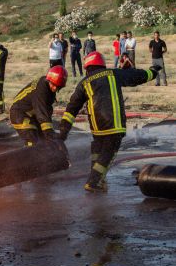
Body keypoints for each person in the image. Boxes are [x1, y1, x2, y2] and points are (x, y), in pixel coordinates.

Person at [59, 52, 161, 192]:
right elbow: (136, 76)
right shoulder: (112, 73)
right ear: (102, 63)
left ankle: (98, 179)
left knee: (98, 148)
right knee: (109, 151)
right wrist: (153, 71)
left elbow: (72, 107)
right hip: (114, 123)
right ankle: (94, 182)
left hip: (96, 126)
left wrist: (64, 130)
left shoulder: (84, 82)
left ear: (87, 66)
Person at [10, 65, 68, 147]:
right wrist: (49, 133)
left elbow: (46, 111)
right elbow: (41, 112)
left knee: (43, 140)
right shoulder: (41, 90)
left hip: (31, 115)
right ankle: (28, 158)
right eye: (53, 84)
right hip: (19, 114)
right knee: (32, 140)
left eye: (58, 87)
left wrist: (48, 133)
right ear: (49, 80)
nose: (55, 88)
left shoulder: (48, 86)